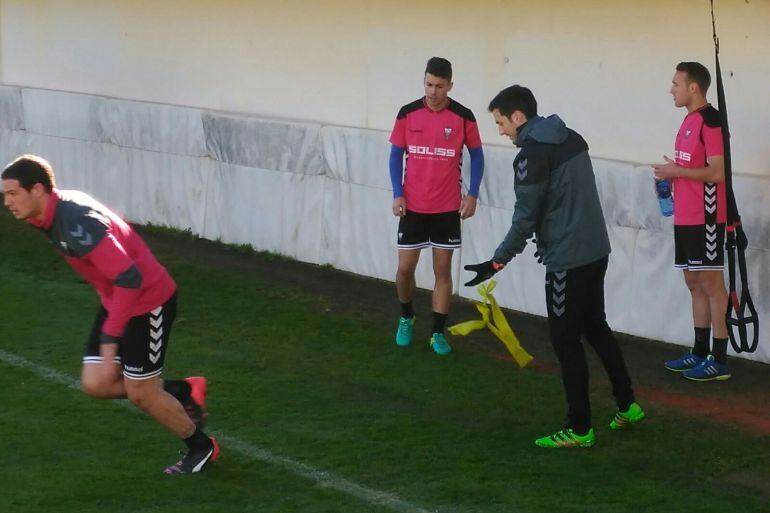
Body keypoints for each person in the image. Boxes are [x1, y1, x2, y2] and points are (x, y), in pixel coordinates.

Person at [1, 155, 219, 474]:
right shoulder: (48, 213)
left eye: (12, 194)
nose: (6, 202)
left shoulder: (76, 223)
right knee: (97, 384)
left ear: (37, 190)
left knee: (141, 393)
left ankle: (202, 448)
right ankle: (184, 391)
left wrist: (110, 338)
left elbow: (130, 277)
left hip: (148, 302)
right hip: (116, 299)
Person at [464, 85, 644, 448]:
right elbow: (562, 201)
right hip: (596, 251)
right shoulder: (572, 138)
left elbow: (525, 218)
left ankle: (579, 429)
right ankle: (628, 405)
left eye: (501, 122)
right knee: (595, 327)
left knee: (565, 340)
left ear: (518, 117)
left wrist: (495, 262)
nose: (501, 130)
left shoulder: (532, 155)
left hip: (568, 261)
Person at [389, 57, 484, 355]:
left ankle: (437, 334)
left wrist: (473, 195)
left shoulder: (464, 117)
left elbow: (478, 157)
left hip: (446, 208)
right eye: (429, 84)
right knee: (405, 269)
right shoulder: (407, 113)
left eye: (439, 86)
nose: (432, 92)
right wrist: (397, 193)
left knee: (443, 271)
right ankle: (406, 317)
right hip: (413, 206)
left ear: (450, 86)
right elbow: (395, 156)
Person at [653, 62, 731, 381]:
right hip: (685, 215)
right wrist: (672, 176)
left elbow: (716, 172)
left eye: (676, 84)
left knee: (711, 284)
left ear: (693, 87)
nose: (672, 89)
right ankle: (699, 352)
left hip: (707, 216)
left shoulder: (711, 121)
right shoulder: (688, 121)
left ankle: (720, 359)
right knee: (693, 282)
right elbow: (691, 167)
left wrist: (678, 172)